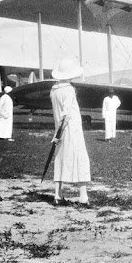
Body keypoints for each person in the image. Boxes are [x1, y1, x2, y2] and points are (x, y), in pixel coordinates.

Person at [49, 58, 91, 206]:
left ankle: (57, 194)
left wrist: (57, 134)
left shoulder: (54, 90)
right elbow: (66, 114)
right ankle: (83, 196)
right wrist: (60, 132)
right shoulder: (69, 89)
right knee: (79, 158)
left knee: (60, 158)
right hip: (71, 129)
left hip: (60, 129)